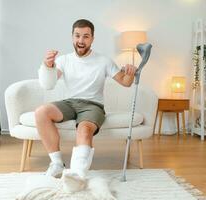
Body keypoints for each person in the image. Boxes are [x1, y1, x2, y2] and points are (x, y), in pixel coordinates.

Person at [35, 19, 137, 183]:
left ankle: (77, 175)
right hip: (70, 102)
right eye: (77, 36)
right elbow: (48, 85)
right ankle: (56, 164)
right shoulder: (64, 60)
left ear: (92, 38)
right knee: (41, 112)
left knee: (84, 130)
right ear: (72, 37)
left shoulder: (103, 60)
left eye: (86, 36)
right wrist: (47, 66)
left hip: (93, 105)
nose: (81, 41)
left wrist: (131, 72)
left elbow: (126, 82)